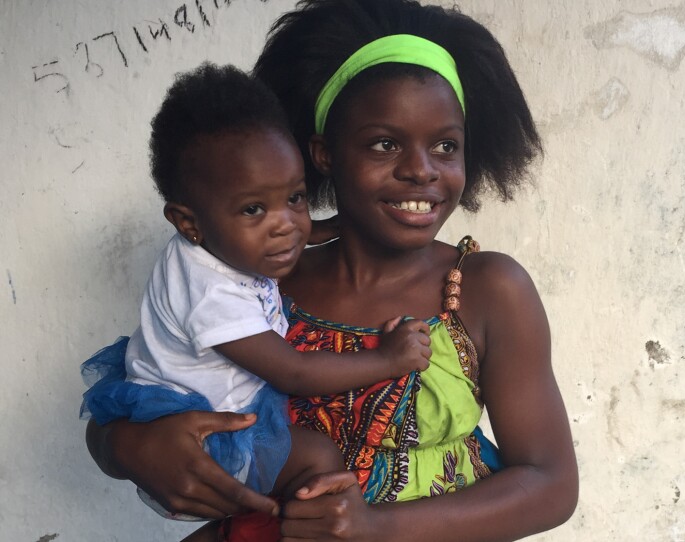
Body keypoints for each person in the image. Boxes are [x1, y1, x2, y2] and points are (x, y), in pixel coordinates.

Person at [86, 1, 579, 540]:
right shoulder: (259, 279)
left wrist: (376, 527)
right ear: (323, 153)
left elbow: (551, 484)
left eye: (445, 145)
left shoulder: (489, 290)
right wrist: (128, 447)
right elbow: (142, 388)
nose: (420, 169)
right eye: (384, 144)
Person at [80, 62, 431, 521]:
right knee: (318, 459)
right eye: (253, 209)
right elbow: (295, 375)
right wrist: (389, 359)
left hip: (185, 400)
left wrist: (328, 226)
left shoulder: (219, 244)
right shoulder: (212, 295)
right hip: (209, 441)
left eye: (296, 198)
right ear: (189, 223)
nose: (286, 226)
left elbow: (275, 228)